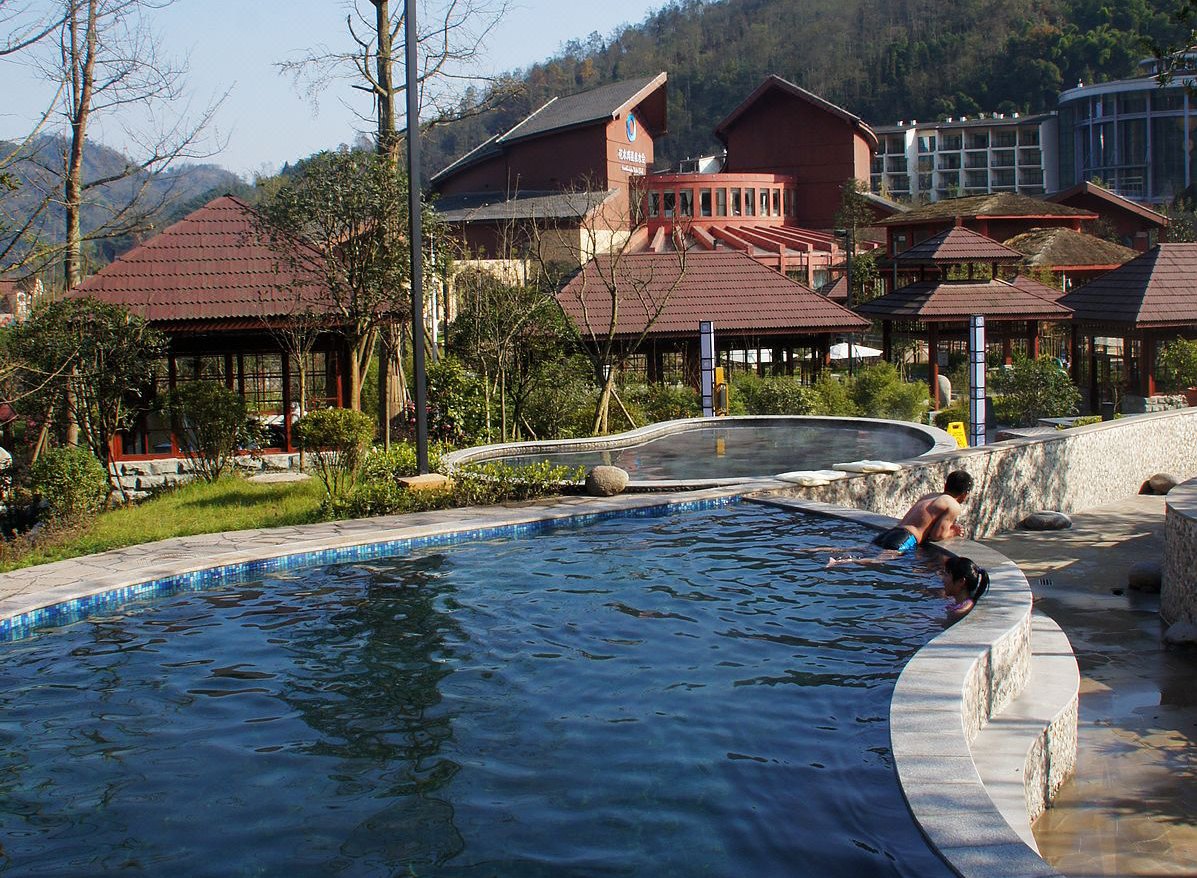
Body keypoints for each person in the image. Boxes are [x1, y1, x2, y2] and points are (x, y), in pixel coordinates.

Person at [827, 470, 973, 567]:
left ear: (945, 484)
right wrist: (954, 532)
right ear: (965, 494)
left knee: (859, 549)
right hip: (906, 538)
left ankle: (812, 550)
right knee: (879, 560)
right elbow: (937, 535)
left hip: (893, 532)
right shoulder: (953, 505)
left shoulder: (931, 496)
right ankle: (838, 563)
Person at [942, 555, 989, 619]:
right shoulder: (964, 602)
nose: (943, 579)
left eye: (946, 575)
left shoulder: (958, 612)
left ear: (961, 581)